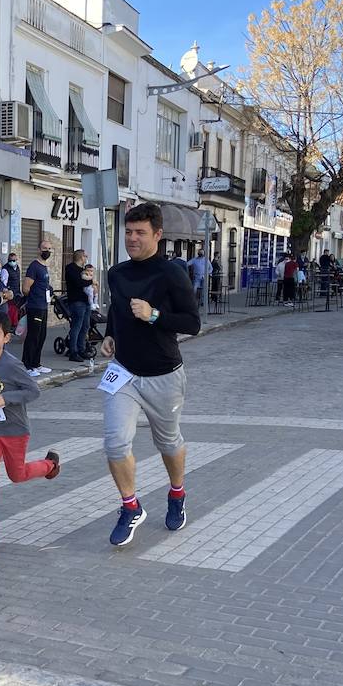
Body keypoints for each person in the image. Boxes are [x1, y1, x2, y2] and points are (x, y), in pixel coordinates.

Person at [100, 203, 202, 547]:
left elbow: (193, 323)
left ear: (158, 235)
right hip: (124, 372)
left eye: (140, 232)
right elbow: (117, 310)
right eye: (128, 232)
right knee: (115, 442)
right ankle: (131, 507)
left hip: (164, 375)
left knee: (168, 442)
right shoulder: (116, 273)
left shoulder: (172, 273)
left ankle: (177, 493)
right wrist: (110, 335)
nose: (132, 238)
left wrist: (154, 314)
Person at [0, 311, 62, 553]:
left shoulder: (12, 365)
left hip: (14, 431)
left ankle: (49, 466)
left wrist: (6, 398)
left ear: (6, 338)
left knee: (17, 475)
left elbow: (33, 391)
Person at [21, 240, 53, 376]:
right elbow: (25, 288)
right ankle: (27, 365)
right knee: (33, 336)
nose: (47, 251)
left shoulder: (44, 267)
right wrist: (34, 297)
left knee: (41, 336)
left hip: (43, 306)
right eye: (44, 248)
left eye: (49, 249)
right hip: (35, 307)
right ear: (39, 250)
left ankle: (36, 363)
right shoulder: (34, 266)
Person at [64, 249, 90, 363]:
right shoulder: (71, 269)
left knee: (85, 326)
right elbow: (79, 283)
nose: (86, 258)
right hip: (77, 301)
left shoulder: (83, 270)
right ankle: (73, 352)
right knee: (76, 326)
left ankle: (81, 349)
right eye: (85, 256)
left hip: (86, 301)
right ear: (81, 257)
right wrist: (91, 281)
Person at [187, 247, 211, 315]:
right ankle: (193, 301)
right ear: (198, 253)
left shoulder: (206, 260)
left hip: (204, 277)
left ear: (204, 253)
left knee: (204, 289)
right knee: (194, 288)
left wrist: (207, 273)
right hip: (197, 277)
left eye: (202, 252)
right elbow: (187, 263)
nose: (201, 253)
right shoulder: (194, 260)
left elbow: (210, 268)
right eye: (200, 252)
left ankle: (203, 302)